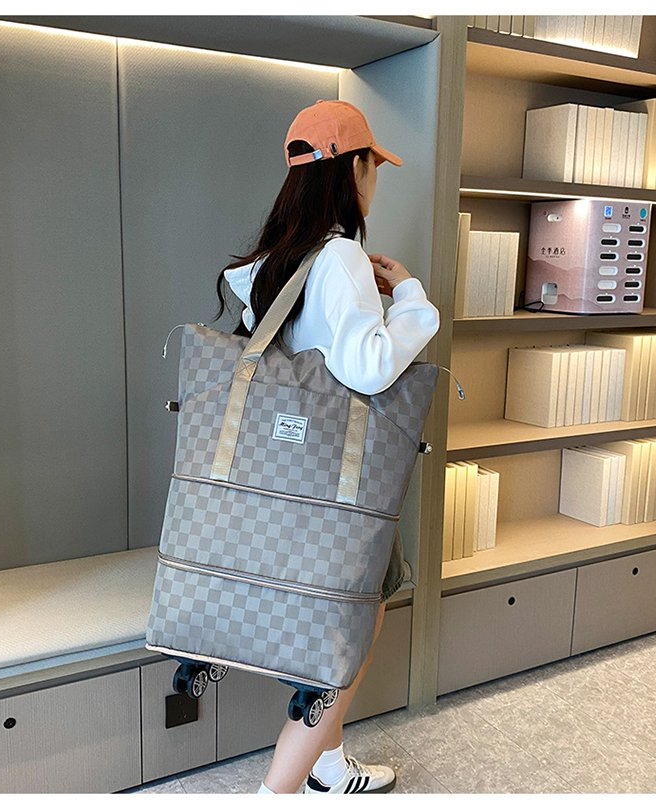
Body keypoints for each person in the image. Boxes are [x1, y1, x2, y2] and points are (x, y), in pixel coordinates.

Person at [213, 99, 440, 794]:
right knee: (344, 645)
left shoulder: (274, 261)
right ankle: (275, 791)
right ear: (353, 169)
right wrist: (409, 298)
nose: (375, 181)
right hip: (340, 490)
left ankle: (329, 767)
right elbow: (368, 368)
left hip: (286, 479)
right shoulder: (338, 258)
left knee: (328, 633)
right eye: (373, 166)